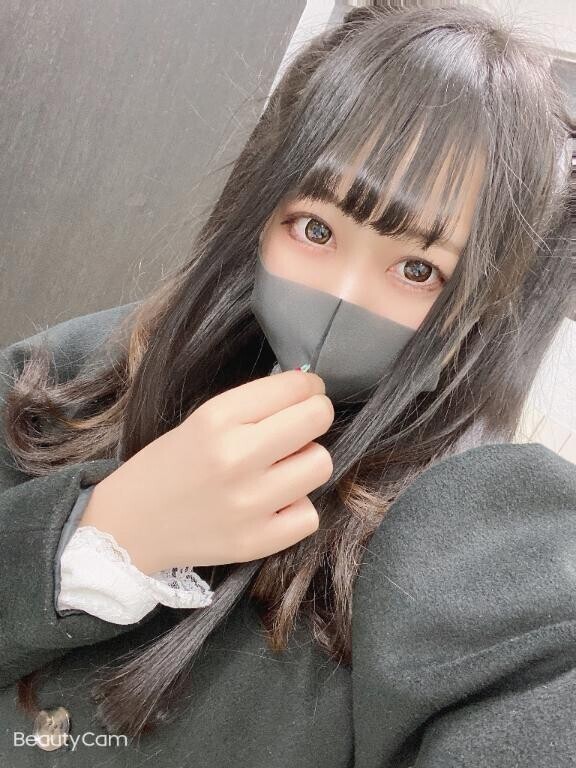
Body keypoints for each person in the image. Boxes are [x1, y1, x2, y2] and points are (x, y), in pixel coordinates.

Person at [0, 4, 574, 765]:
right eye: (316, 228)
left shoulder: (476, 528)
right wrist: (97, 538)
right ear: (262, 207)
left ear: (479, 303)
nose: (342, 295)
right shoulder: (79, 370)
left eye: (417, 269)